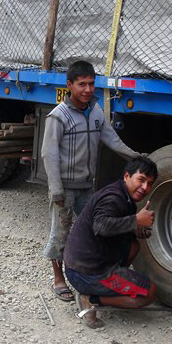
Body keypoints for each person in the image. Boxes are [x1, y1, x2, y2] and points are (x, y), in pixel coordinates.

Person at [41, 60, 140, 302]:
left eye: (91, 84)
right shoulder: (58, 116)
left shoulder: (95, 112)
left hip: (87, 186)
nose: (87, 89)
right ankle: (58, 279)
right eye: (81, 84)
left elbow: (112, 140)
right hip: (64, 188)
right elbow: (49, 154)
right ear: (69, 85)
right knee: (60, 234)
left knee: (96, 230)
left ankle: (94, 272)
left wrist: (138, 158)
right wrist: (56, 190)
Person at [63, 156, 159, 328]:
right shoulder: (113, 198)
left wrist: (135, 228)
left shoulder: (124, 195)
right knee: (149, 293)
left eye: (149, 183)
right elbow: (101, 226)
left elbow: (112, 225)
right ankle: (91, 298)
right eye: (141, 180)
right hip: (86, 272)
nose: (145, 187)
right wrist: (135, 220)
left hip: (82, 265)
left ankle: (105, 287)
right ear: (126, 176)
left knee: (133, 246)